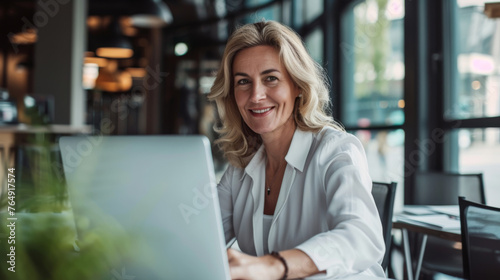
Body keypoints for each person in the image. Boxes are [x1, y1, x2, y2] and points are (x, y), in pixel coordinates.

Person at [208, 20, 385, 280]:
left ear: (298, 86)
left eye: (271, 78)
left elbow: (362, 237)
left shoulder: (335, 150)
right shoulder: (241, 167)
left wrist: (273, 266)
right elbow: (203, 238)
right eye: (243, 82)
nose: (256, 95)